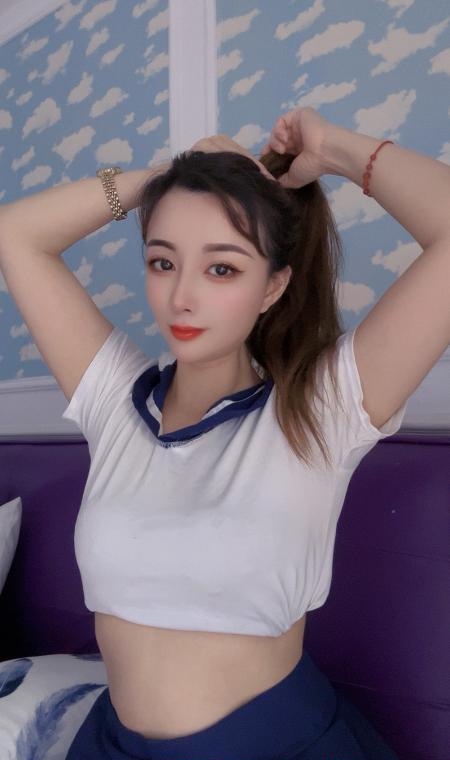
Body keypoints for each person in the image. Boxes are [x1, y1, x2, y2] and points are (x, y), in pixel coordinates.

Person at [0, 105, 448, 759]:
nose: (182, 296)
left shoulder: (320, 409)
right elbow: (15, 233)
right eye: (162, 262)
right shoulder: (116, 403)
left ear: (272, 287)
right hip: (111, 744)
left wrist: (331, 147)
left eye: (222, 269)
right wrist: (170, 178)